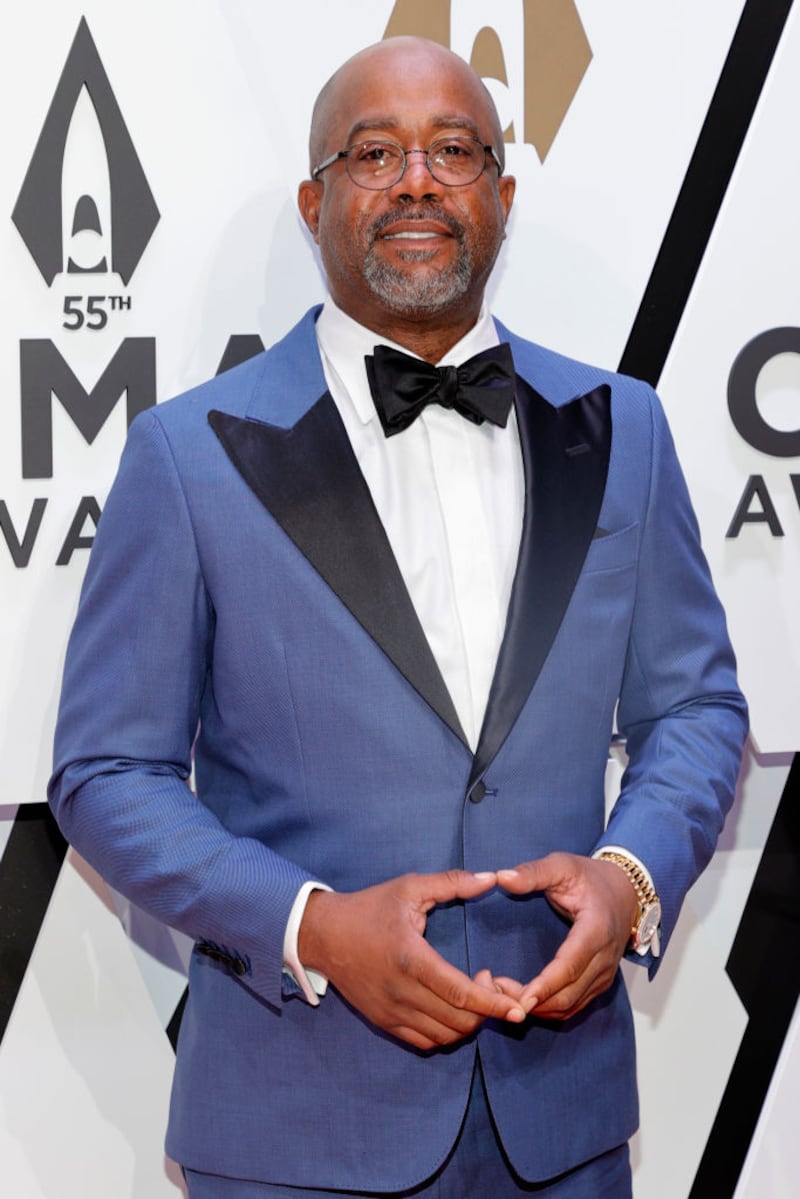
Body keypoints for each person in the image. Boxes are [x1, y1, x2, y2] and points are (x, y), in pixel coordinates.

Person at [49, 35, 747, 1199]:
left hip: (561, 1128)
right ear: (317, 200)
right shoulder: (185, 455)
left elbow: (696, 704)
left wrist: (629, 874)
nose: (417, 178)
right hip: (295, 1130)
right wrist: (312, 926)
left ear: (502, 196)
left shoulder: (624, 428)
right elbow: (107, 770)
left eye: (453, 150)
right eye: (375, 151)